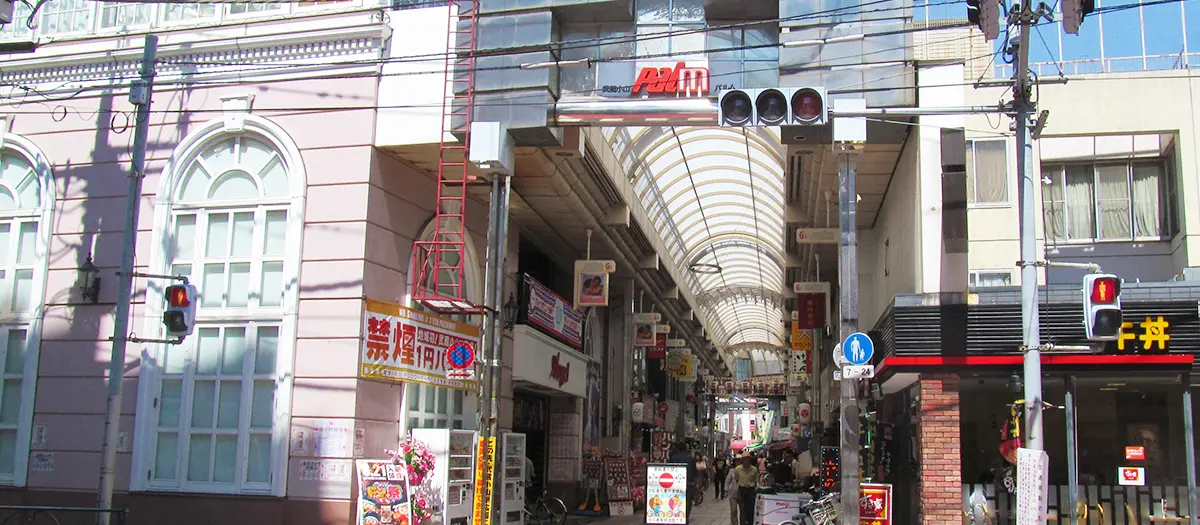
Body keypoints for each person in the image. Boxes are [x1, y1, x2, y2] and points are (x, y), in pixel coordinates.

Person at [669, 442, 699, 518]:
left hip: (676, 483)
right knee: (688, 501)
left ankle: (677, 515)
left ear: (677, 449)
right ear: (686, 449)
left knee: (677, 499)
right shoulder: (691, 459)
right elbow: (695, 472)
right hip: (688, 483)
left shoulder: (673, 458)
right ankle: (686, 516)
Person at [733, 454, 759, 525]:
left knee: (750, 511)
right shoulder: (738, 469)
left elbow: (755, 481)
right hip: (741, 491)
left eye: (748, 459)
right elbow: (737, 479)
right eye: (745, 459)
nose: (746, 461)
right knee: (743, 511)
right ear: (742, 460)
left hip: (751, 491)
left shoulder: (754, 469)